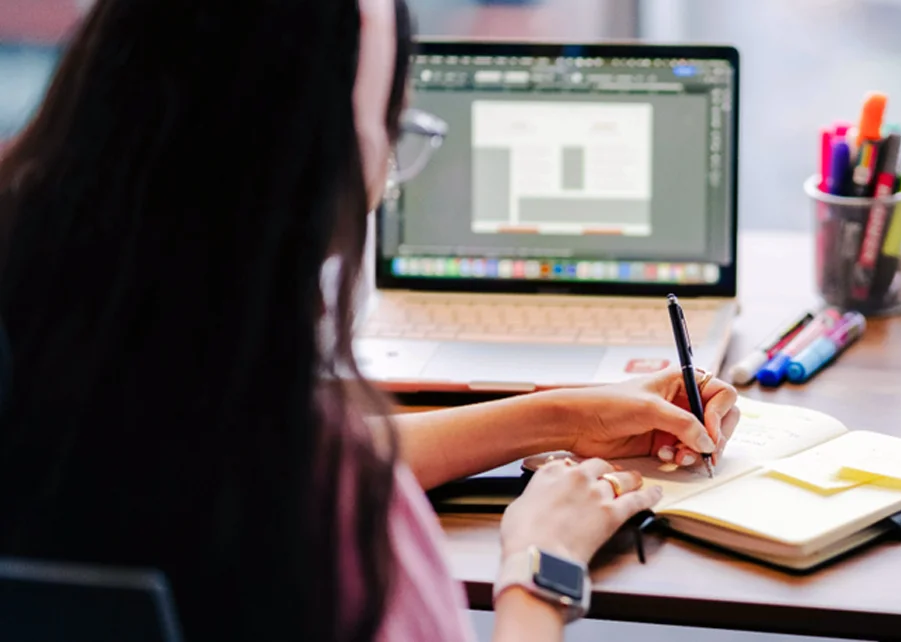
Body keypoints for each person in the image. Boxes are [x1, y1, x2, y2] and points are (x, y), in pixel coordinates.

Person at [0, 0, 741, 641]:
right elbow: (307, 467)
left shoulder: (85, 367)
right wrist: (540, 565)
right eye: (390, 135)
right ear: (315, 177)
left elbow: (277, 449)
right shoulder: (333, 523)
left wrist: (559, 417)